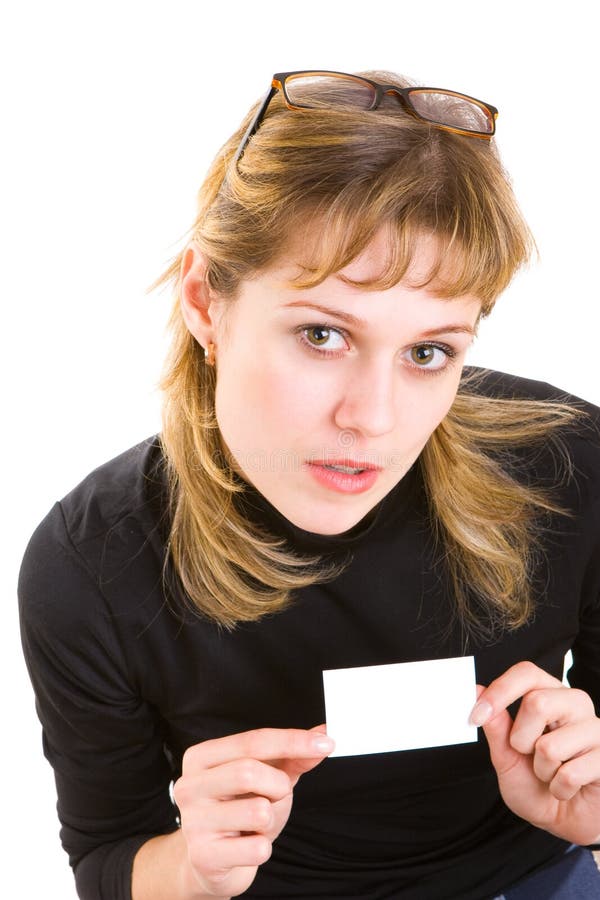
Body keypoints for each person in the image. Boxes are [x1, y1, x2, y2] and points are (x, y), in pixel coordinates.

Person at [18, 69, 600, 900]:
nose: (374, 418)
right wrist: (191, 867)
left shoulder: (572, 466)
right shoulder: (91, 561)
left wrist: (593, 821)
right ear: (204, 301)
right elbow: (108, 860)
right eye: (323, 334)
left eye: (429, 351)